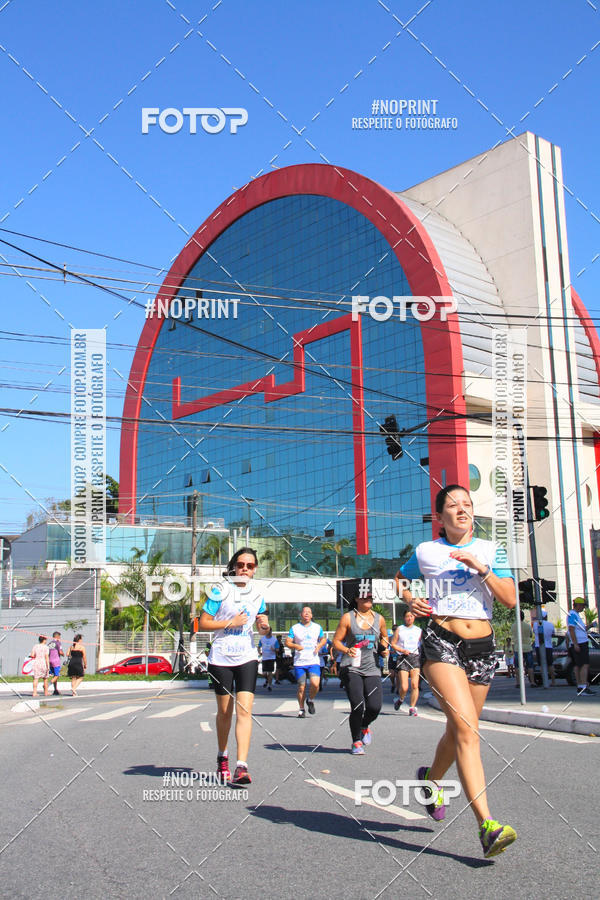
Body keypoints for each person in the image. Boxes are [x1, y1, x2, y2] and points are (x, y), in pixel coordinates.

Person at [396, 484, 517, 858]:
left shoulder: (489, 550)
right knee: (467, 730)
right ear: (439, 516)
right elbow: (401, 578)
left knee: (458, 729)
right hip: (442, 641)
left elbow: (510, 598)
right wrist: (408, 597)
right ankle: (487, 825)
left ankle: (430, 782)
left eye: (467, 504)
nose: (462, 509)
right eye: (453, 505)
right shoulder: (427, 552)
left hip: (482, 646)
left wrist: (482, 570)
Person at [198, 548, 269, 786]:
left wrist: (264, 626)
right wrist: (230, 622)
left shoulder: (258, 594)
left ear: (255, 569)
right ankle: (222, 756)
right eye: (241, 565)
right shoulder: (220, 591)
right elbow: (203, 623)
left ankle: (242, 766)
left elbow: (262, 627)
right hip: (221, 658)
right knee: (225, 712)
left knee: (245, 710)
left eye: (249, 565)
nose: (245, 569)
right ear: (234, 567)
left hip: (247, 656)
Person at [332, 585, 388, 754]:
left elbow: (384, 636)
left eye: (371, 597)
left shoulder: (380, 619)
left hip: (372, 667)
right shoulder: (348, 618)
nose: (368, 600)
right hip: (351, 667)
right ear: (356, 599)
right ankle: (356, 741)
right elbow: (336, 641)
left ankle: (364, 725)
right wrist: (346, 650)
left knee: (375, 707)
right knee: (358, 705)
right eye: (365, 597)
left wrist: (384, 647)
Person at [286, 606, 327, 717]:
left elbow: (324, 639)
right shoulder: (295, 628)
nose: (307, 614)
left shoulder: (317, 627)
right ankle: (301, 709)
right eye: (305, 612)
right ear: (301, 615)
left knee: (315, 684)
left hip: (313, 661)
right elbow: (288, 642)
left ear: (312, 615)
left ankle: (311, 700)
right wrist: (295, 646)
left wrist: (319, 646)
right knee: (301, 687)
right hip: (300, 662)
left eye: (309, 612)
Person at [392, 609, 422, 715]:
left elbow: (421, 644)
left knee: (415, 684)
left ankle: (412, 707)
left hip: (415, 657)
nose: (410, 618)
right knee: (404, 686)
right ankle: (400, 699)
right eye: (407, 616)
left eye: (412, 616)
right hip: (403, 657)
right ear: (404, 618)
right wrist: (402, 650)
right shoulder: (400, 629)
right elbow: (393, 644)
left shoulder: (418, 630)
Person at [567, 597, 594, 695]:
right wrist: (575, 644)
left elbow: (581, 629)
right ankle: (583, 686)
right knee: (584, 665)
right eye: (582, 606)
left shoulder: (576, 615)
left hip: (580, 643)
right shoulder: (572, 614)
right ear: (578, 605)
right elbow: (571, 629)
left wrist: (590, 625)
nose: (583, 608)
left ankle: (581, 686)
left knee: (578, 665)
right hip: (580, 643)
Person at [511, 610, 536, 687]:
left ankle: (518, 682)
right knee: (530, 666)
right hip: (527, 647)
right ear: (523, 617)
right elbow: (531, 635)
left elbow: (513, 635)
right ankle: (532, 682)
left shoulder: (513, 626)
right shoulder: (528, 626)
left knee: (517, 666)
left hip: (517, 648)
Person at [533, 611, 556, 687]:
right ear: (546, 617)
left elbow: (534, 632)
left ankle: (544, 680)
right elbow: (553, 634)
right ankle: (553, 681)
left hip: (538, 646)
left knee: (542, 665)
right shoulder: (550, 625)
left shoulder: (536, 624)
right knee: (550, 664)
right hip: (548, 646)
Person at [47, 631, 64, 696]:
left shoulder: (49, 643)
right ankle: (47, 685)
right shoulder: (58, 643)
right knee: (57, 675)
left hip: (50, 660)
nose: (60, 638)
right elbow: (60, 651)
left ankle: (55, 689)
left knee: (54, 675)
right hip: (56, 661)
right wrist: (63, 654)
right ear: (57, 636)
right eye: (59, 636)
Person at [388, 624, 399, 694]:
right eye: (393, 630)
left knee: (398, 674)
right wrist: (389, 651)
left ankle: (398, 688)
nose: (395, 631)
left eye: (396, 630)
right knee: (391, 674)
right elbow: (385, 647)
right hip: (392, 657)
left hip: (398, 657)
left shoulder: (400, 638)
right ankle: (393, 684)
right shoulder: (390, 638)